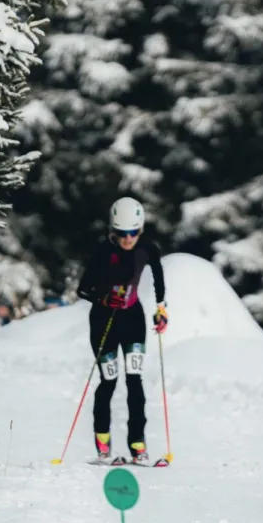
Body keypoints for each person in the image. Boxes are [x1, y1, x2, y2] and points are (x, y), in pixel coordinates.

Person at [77, 197, 168, 463]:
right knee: (109, 381)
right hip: (103, 323)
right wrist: (103, 299)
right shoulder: (103, 251)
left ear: (140, 230)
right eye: (121, 234)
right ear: (112, 231)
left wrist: (161, 309)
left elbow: (159, 281)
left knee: (134, 381)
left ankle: (138, 445)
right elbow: (83, 289)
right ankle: (103, 444)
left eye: (133, 233)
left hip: (133, 321)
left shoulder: (148, 249)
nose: (128, 239)